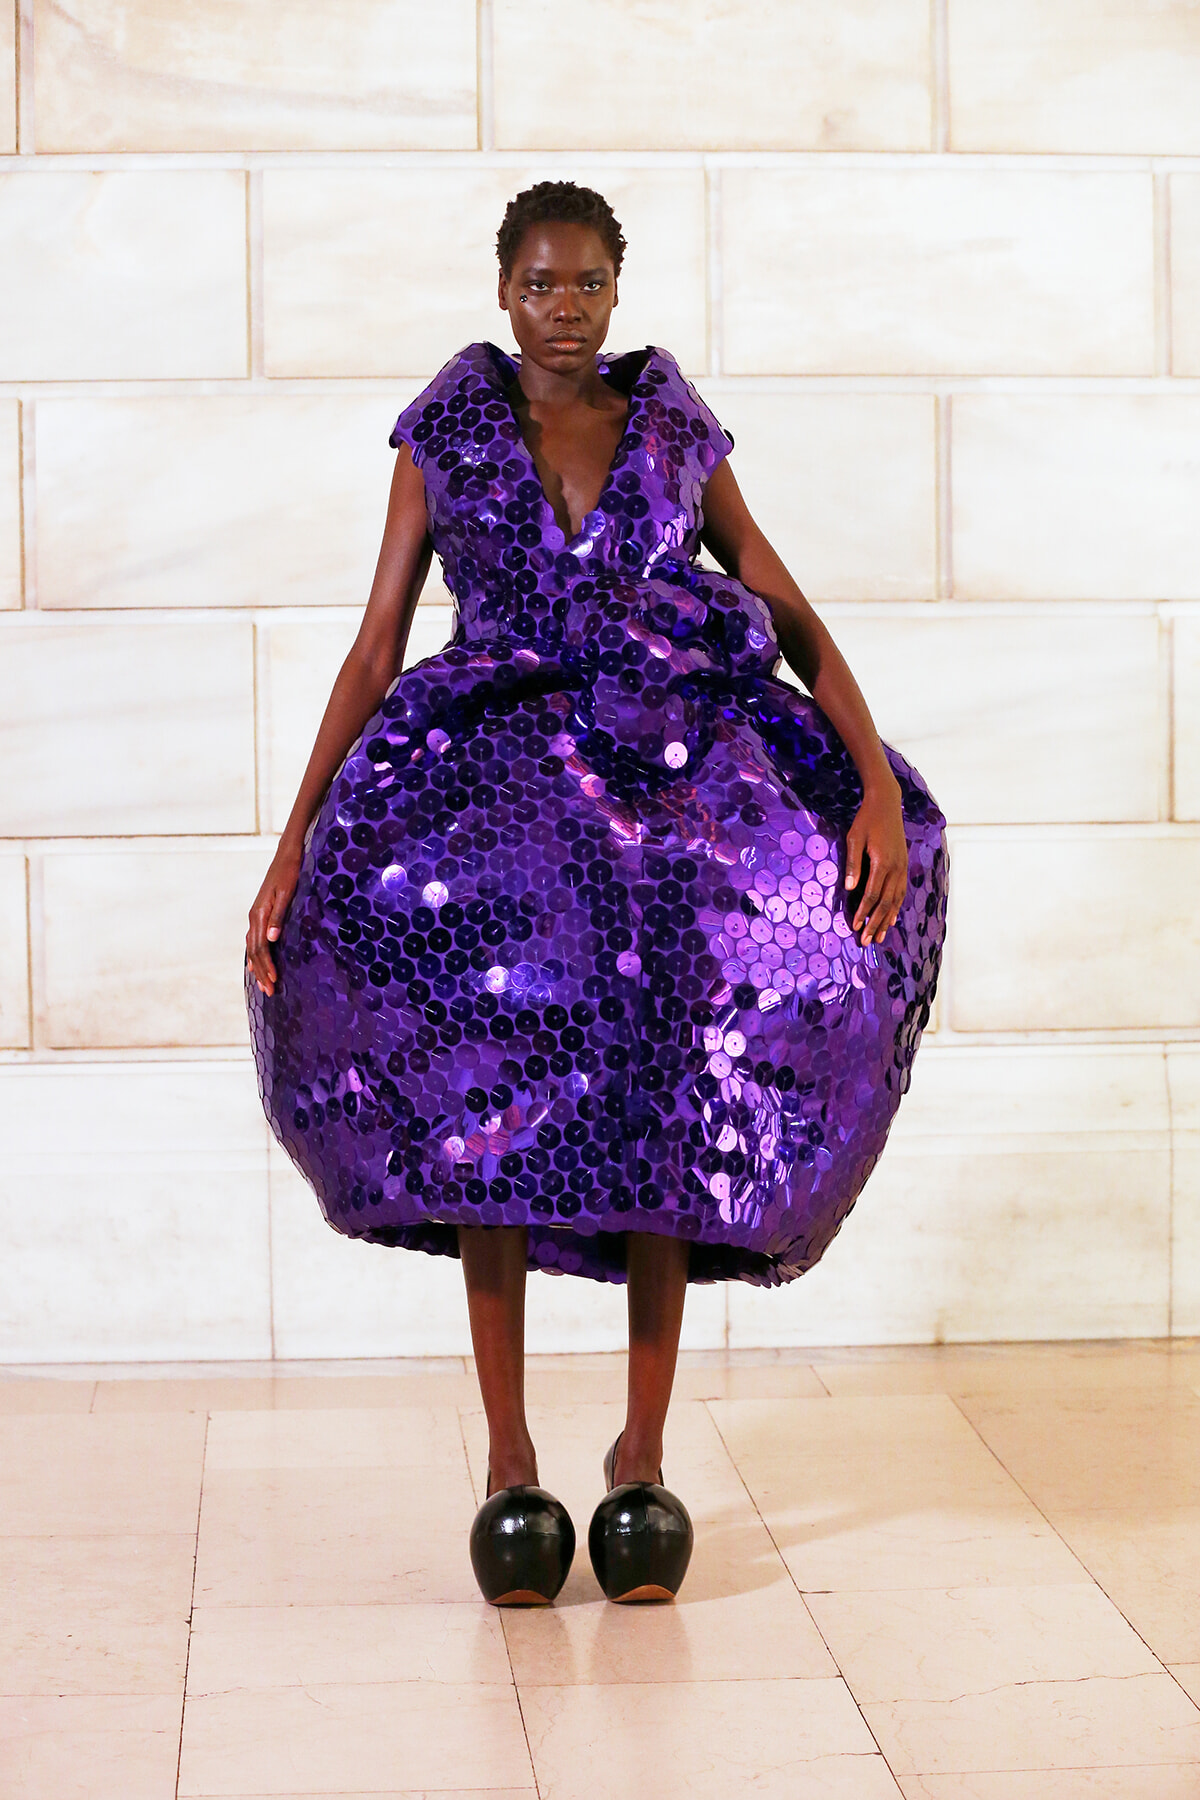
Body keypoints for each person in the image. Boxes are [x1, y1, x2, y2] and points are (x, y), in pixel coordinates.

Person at [246, 180, 947, 1607]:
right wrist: (294, 835)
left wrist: (870, 782)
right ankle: (509, 1458)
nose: (562, 309)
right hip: (490, 801)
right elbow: (377, 644)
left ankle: (640, 1455)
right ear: (501, 292)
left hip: (665, 802)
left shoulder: (676, 433)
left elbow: (788, 608)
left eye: (586, 286)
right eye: (539, 285)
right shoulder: (442, 436)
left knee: (659, 1114)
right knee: (485, 1110)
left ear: (617, 291)